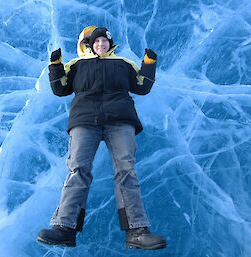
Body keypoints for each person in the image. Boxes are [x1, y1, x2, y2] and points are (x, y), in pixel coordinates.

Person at [37, 26, 167, 250]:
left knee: (126, 170)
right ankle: (64, 228)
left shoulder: (123, 63)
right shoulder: (77, 65)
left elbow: (141, 86)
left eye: (104, 42)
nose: (101, 45)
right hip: (85, 120)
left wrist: (149, 64)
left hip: (120, 120)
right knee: (78, 170)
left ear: (110, 44)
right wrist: (56, 66)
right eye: (96, 42)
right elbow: (60, 89)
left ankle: (137, 231)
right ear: (89, 45)